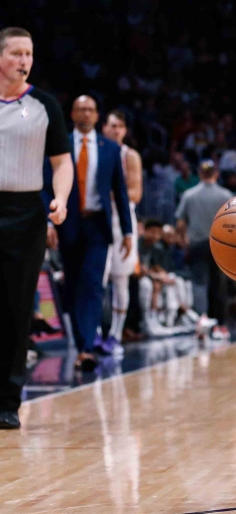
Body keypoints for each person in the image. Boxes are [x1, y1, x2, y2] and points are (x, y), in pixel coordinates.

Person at [0, 27, 72, 429]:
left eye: (29, 53)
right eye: (16, 53)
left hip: (27, 211)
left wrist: (59, 198)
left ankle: (7, 402)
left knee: (16, 307)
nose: (24, 60)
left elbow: (62, 163)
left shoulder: (45, 104)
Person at [51, 95, 132, 372]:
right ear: (72, 114)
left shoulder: (109, 148)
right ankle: (82, 341)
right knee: (73, 285)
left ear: (97, 116)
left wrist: (129, 231)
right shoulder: (59, 146)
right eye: (81, 109)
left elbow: (121, 194)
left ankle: (87, 348)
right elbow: (45, 185)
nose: (86, 114)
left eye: (90, 110)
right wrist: (49, 223)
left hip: (99, 225)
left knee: (94, 285)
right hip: (68, 222)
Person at [100, 110, 143, 356]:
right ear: (103, 127)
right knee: (97, 280)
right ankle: (93, 334)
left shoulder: (130, 156)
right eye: (112, 125)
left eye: (120, 126)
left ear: (125, 130)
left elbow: (135, 195)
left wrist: (108, 195)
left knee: (120, 280)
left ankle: (115, 335)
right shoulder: (97, 150)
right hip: (99, 220)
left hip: (122, 221)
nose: (116, 130)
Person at [174, 160, 233, 332]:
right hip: (220, 245)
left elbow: (179, 223)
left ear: (199, 174)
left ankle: (202, 320)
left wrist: (183, 240)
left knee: (199, 283)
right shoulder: (226, 195)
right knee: (219, 285)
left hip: (197, 244)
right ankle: (220, 325)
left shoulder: (189, 195)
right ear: (217, 174)